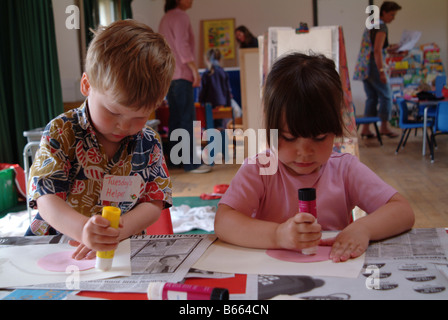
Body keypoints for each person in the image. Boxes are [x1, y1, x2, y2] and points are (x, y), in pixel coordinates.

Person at [214, 53, 415, 263]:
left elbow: (402, 210)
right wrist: (278, 235)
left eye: (319, 138)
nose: (305, 152)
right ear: (270, 128)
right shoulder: (260, 169)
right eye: (290, 137)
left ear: (335, 126)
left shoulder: (344, 169)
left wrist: (363, 228)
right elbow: (224, 222)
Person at [25, 20, 175, 260]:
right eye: (113, 112)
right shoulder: (62, 131)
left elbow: (153, 202)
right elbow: (46, 198)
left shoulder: (149, 143)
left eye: (139, 116)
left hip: (118, 248)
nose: (124, 125)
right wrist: (83, 230)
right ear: (87, 85)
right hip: (57, 245)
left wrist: (117, 230)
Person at [159, 0, 211, 173]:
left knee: (175, 120)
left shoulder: (165, 18)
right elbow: (183, 46)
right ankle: (191, 163)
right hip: (182, 75)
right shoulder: (181, 17)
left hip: (170, 76)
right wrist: (195, 71)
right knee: (187, 120)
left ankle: (175, 161)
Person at [354, 1, 402, 138]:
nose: (393, 18)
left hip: (364, 66)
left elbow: (376, 47)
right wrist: (381, 71)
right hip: (374, 66)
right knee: (387, 95)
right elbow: (376, 50)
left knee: (372, 98)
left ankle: (366, 129)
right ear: (384, 12)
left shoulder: (372, 24)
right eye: (392, 15)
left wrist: (390, 48)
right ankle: (385, 127)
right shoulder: (381, 26)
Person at [199, 48, 232, 128]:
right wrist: (228, 106)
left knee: (210, 128)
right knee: (220, 127)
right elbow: (228, 91)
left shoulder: (206, 74)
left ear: (207, 60)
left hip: (209, 107)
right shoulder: (223, 73)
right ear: (220, 59)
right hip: (221, 106)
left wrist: (200, 103)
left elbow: (202, 92)